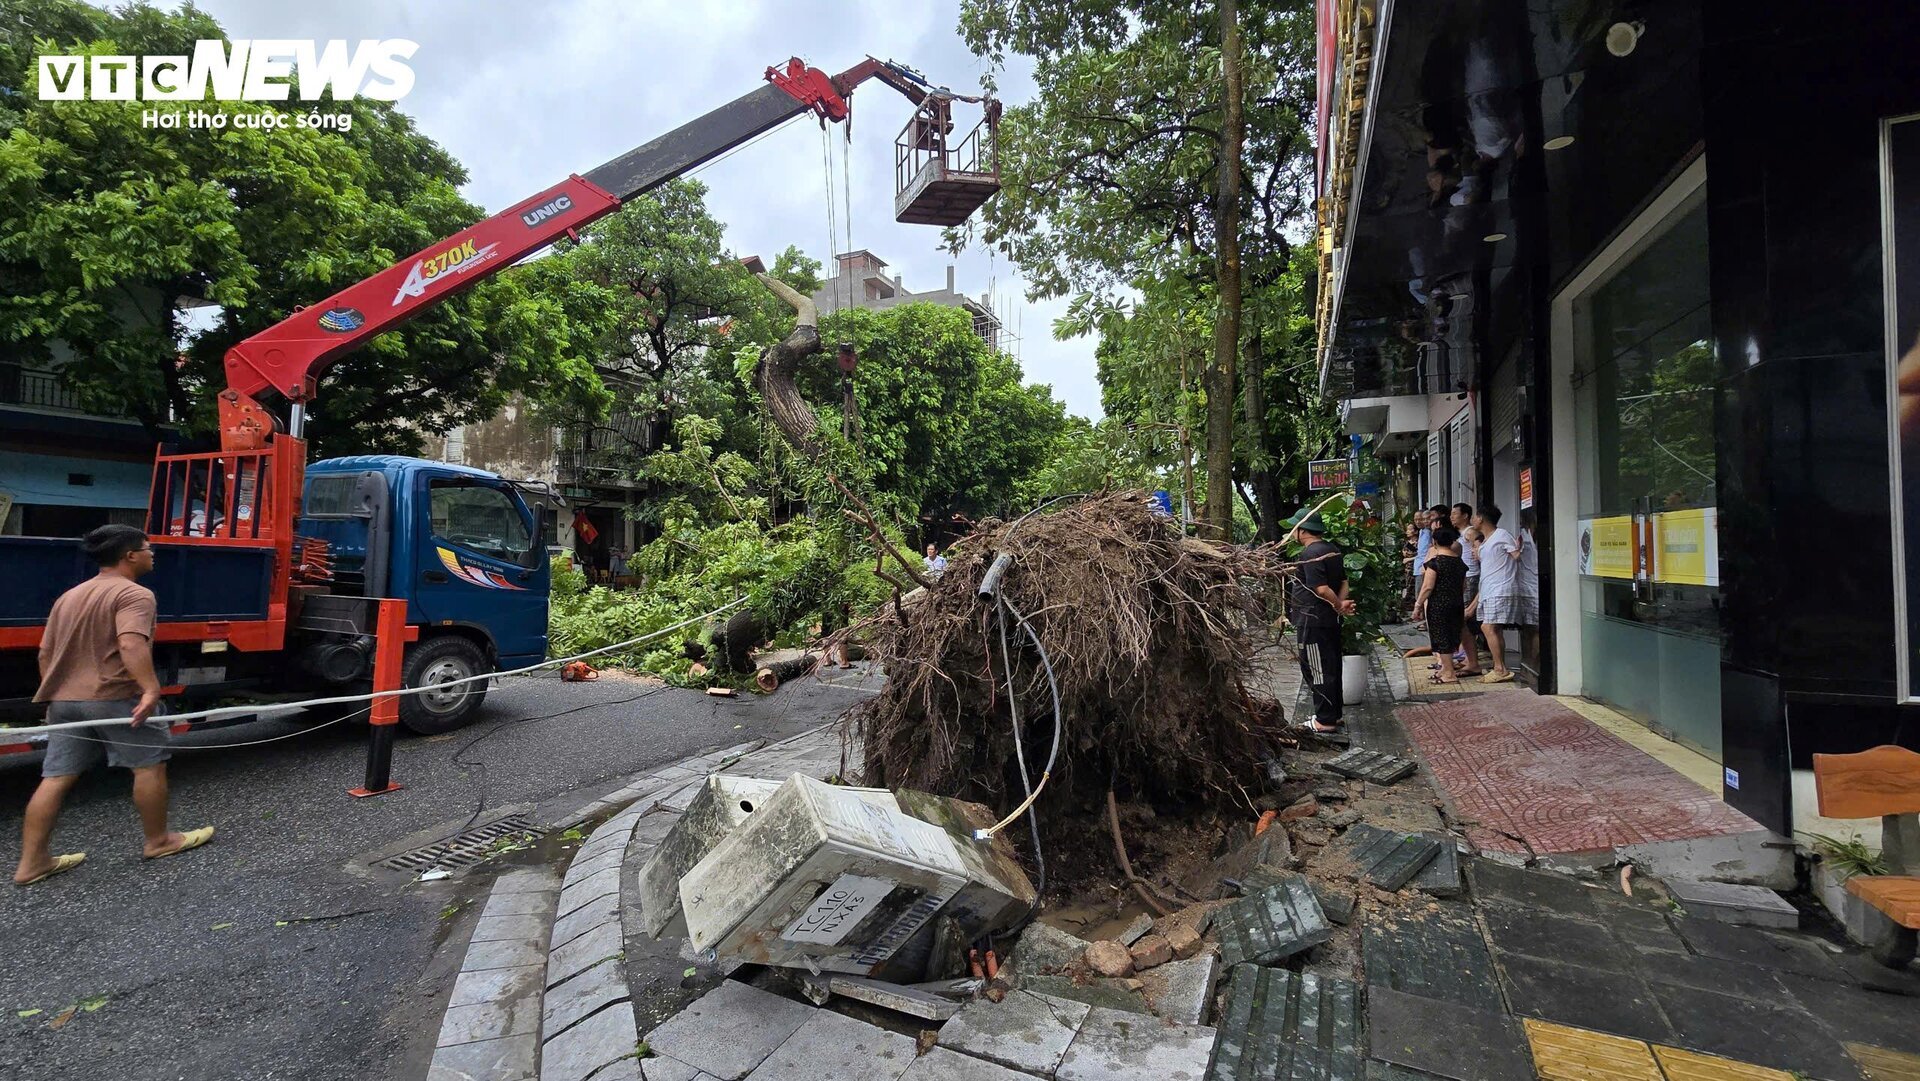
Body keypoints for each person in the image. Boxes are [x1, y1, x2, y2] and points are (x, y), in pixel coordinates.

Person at [14, 526, 213, 886]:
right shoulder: (134, 594)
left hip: (65, 701)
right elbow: (131, 644)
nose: (153, 554)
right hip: (113, 697)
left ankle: (32, 863)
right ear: (130, 556)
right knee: (149, 766)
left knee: (55, 778)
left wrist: (52, 696)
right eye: (148, 549)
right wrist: (151, 689)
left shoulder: (70, 596)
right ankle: (158, 841)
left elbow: (45, 652)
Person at [1286, 510, 1355, 733]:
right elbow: (1344, 582)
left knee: (1316, 668)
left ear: (1303, 531)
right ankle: (1333, 715)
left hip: (1312, 620)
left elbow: (1322, 589)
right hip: (1328, 620)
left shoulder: (1311, 553)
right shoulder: (1332, 550)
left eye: (1295, 528)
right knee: (1330, 665)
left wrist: (1337, 605)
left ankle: (1324, 721)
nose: (1293, 531)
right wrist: (1341, 606)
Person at [1466, 504, 1535, 683]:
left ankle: (1500, 669)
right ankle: (1500, 666)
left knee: (1487, 627)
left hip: (1501, 589)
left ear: (1481, 518)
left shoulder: (1501, 535)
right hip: (1489, 589)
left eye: (1474, 516)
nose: (1472, 519)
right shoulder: (1486, 540)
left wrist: (1519, 550)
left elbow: (1516, 555)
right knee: (1492, 628)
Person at [1413, 526, 1469, 684]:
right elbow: (1464, 586)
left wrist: (1418, 605)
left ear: (1435, 542)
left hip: (1439, 604)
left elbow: (1428, 587)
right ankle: (1445, 668)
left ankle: (1449, 674)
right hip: (1457, 603)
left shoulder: (1435, 563)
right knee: (1451, 635)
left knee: (1441, 636)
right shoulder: (1459, 563)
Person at [1450, 502, 1487, 675]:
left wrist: (1479, 554)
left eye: (1454, 513)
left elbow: (1480, 540)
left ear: (1465, 515)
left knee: (1465, 620)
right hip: (1465, 577)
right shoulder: (1460, 533)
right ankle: (1468, 659)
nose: (1452, 516)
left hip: (1471, 577)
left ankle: (1473, 662)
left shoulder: (1469, 531)